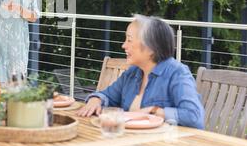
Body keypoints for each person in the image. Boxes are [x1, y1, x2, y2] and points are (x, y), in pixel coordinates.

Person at [77, 14, 205, 129]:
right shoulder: (133, 73)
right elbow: (108, 96)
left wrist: (155, 111)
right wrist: (96, 99)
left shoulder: (177, 73)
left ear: (151, 48)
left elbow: (195, 116)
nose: (123, 45)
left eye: (129, 40)